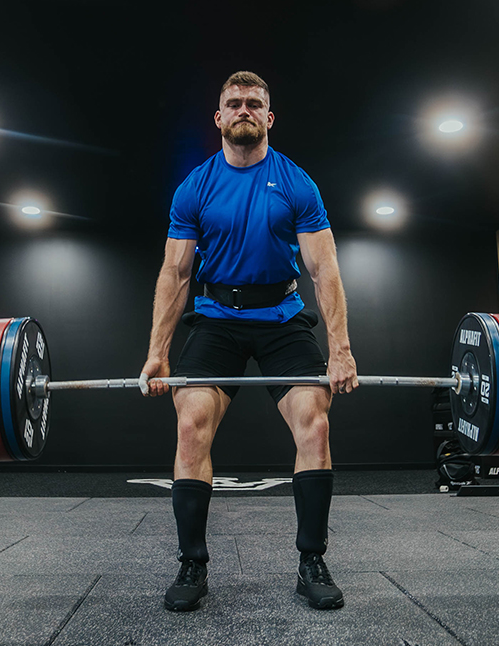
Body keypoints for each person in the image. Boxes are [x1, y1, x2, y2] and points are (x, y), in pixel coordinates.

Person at [140, 71, 358, 612]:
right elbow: (175, 274)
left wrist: (341, 349)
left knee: (315, 420)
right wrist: (158, 351)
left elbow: (324, 269)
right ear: (218, 118)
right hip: (216, 318)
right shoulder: (195, 186)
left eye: (254, 104)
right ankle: (192, 563)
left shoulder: (296, 182)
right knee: (190, 424)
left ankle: (312, 561)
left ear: (268, 117)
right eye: (233, 103)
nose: (243, 110)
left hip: (282, 316)